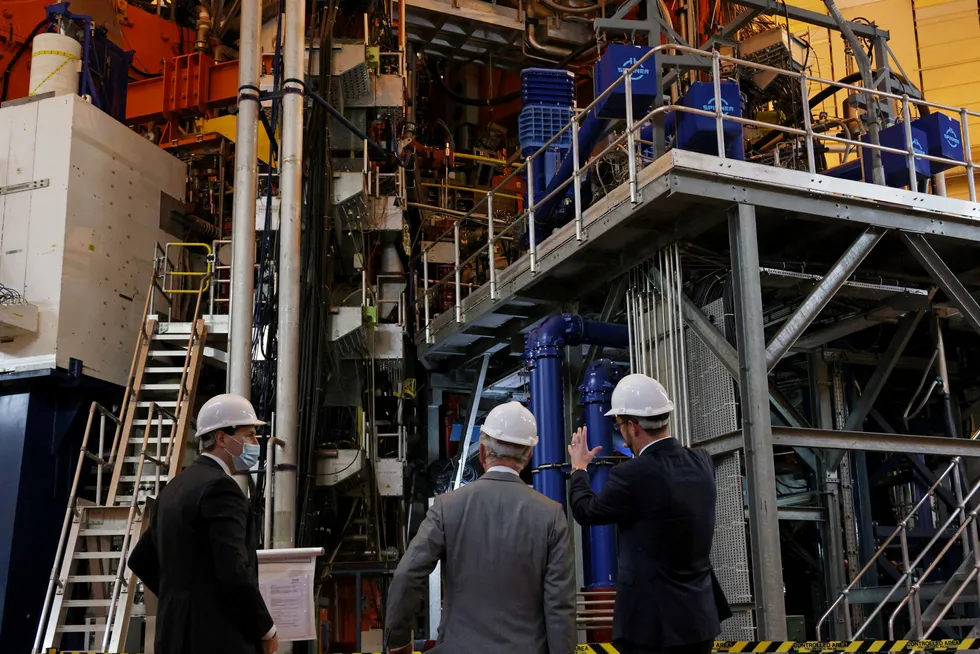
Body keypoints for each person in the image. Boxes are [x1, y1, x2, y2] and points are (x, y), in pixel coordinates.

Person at [384, 401, 576, 654]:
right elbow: (559, 605)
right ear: (528, 456)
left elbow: (407, 575)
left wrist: (397, 641)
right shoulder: (551, 514)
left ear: (483, 452)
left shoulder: (447, 506)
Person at [567, 374, 730, 654]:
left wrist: (579, 468)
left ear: (632, 427)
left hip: (651, 627)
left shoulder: (632, 474)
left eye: (619, 425)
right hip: (699, 619)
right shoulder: (702, 461)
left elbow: (586, 511)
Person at [128, 394, 279, 654]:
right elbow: (233, 570)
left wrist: (184, 600)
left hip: (172, 637)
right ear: (221, 438)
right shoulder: (221, 488)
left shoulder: (175, 487)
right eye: (250, 435)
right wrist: (265, 629)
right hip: (217, 641)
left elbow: (141, 558)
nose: (256, 443)